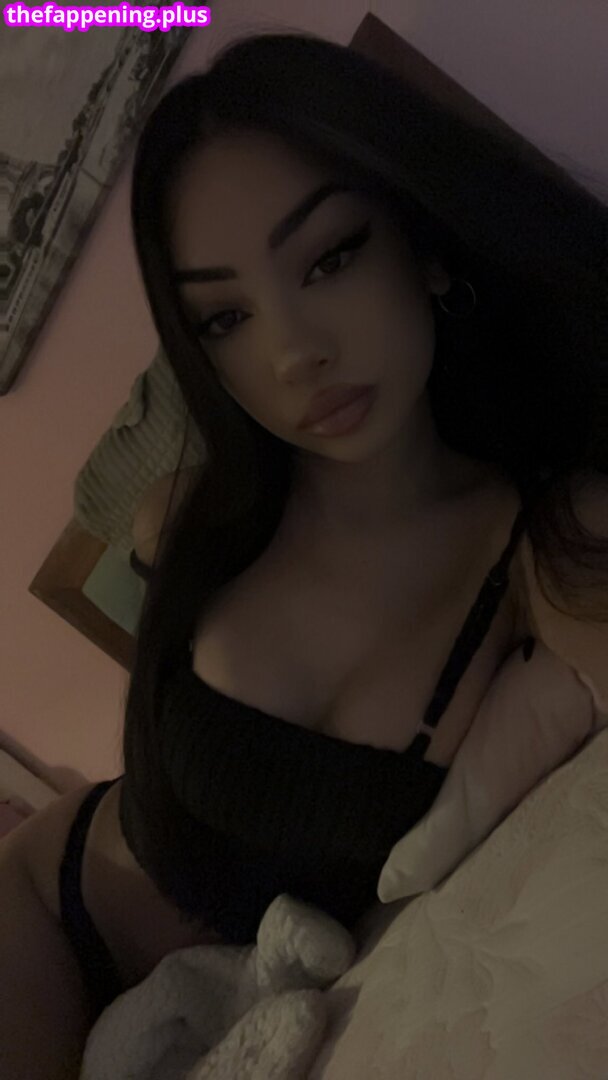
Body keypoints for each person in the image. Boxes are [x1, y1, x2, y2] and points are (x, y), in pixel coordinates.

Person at [2, 30, 607, 1077]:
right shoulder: (185, 516)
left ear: (422, 241)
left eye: (330, 258)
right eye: (224, 317)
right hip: (49, 909)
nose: (292, 352)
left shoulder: (531, 538)